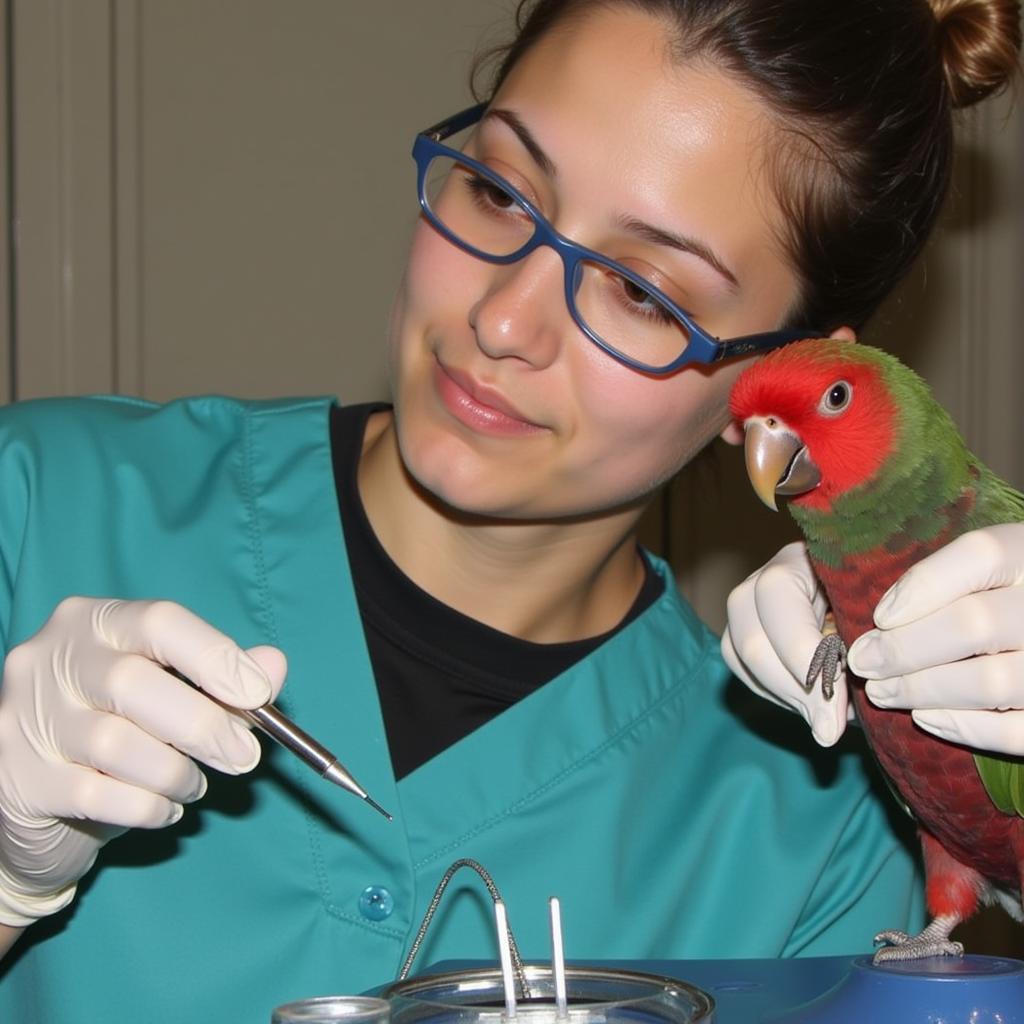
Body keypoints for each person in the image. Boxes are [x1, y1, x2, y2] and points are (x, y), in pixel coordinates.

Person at [0, 0, 1020, 1019]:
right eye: (496, 191)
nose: (501, 317)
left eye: (642, 292)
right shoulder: (38, 505)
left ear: (781, 374)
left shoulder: (816, 832)